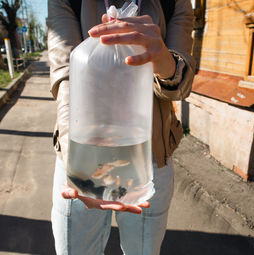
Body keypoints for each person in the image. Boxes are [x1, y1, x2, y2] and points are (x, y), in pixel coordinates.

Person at [47, 0, 195, 254]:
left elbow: (183, 82)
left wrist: (162, 60)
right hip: (80, 152)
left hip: (148, 159)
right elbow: (66, 75)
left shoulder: (174, 2)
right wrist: (80, 171)